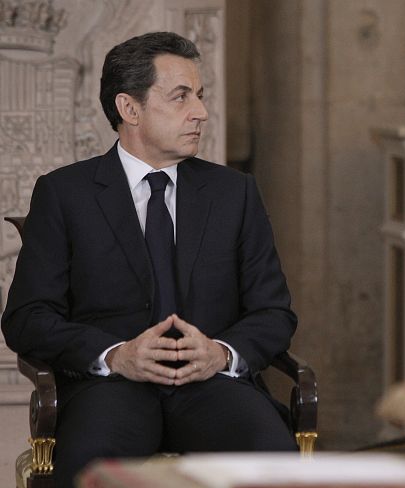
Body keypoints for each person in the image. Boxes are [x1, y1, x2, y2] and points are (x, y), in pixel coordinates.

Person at [1, 31, 298, 487]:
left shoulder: (234, 193)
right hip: (108, 390)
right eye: (181, 97)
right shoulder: (64, 194)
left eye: (199, 96)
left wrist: (221, 354)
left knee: (275, 463)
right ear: (129, 108)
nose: (200, 112)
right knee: (87, 469)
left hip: (215, 387)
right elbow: (27, 318)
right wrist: (116, 355)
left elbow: (274, 312)